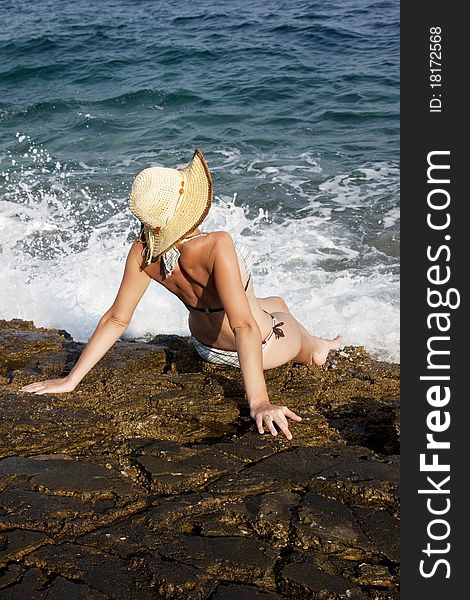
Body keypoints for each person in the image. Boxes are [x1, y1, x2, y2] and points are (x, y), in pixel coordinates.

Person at [21, 148, 342, 440]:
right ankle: (318, 348)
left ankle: (308, 338)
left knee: (276, 302)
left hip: (205, 347)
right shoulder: (217, 244)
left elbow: (116, 319)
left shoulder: (142, 252)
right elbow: (245, 326)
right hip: (260, 346)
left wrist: (70, 380)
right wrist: (259, 401)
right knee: (290, 324)